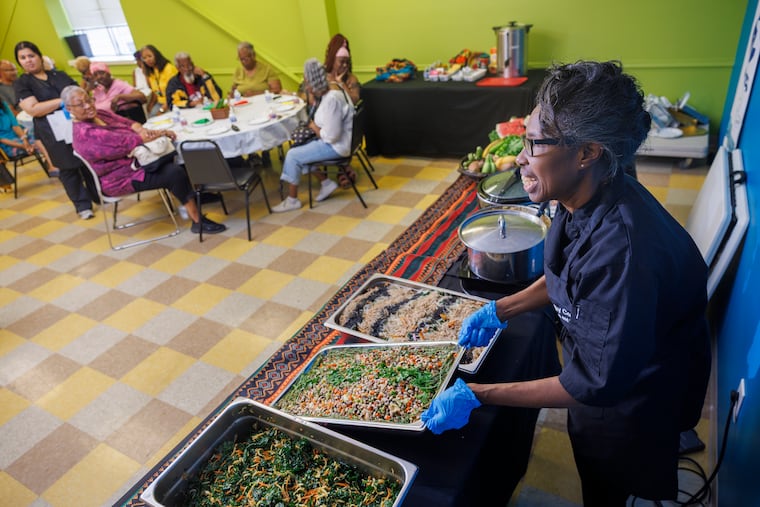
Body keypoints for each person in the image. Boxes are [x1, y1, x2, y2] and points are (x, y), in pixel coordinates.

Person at [420, 61, 711, 507]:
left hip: (634, 399)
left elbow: (590, 385)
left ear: (586, 152)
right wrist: (501, 310)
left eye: (534, 144)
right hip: (604, 368)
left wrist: (479, 394)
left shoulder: (625, 255)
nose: (520, 158)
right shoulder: (587, 190)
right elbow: (564, 276)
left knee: (606, 484)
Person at [61, 85, 225, 235]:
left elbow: (128, 123)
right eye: (80, 104)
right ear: (69, 109)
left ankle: (193, 197)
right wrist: (158, 133)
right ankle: (198, 222)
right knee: (173, 172)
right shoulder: (86, 134)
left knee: (174, 156)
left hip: (137, 161)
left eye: (88, 100)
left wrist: (142, 131)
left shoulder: (99, 114)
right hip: (120, 178)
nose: (88, 106)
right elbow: (127, 142)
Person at [14, 41, 97, 218]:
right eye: (23, 58)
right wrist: (63, 101)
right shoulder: (23, 83)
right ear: (19, 62)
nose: (28, 60)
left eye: (31, 55)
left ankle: (98, 194)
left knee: (88, 160)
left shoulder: (58, 75)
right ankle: (83, 206)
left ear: (39, 56)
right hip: (50, 129)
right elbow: (34, 109)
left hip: (76, 122)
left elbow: (79, 94)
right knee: (67, 167)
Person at [271, 58, 353, 213]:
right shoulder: (335, 87)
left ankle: (292, 200)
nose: (307, 87)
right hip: (341, 141)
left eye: (308, 83)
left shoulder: (331, 100)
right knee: (302, 145)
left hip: (337, 146)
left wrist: (312, 126)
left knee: (293, 155)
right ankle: (326, 183)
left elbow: (331, 137)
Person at [141, 45, 178, 116]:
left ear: (156, 55)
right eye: (144, 58)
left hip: (173, 102)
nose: (148, 60)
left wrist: (162, 110)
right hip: (160, 102)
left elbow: (174, 92)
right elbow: (156, 91)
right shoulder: (152, 71)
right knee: (151, 117)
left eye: (150, 56)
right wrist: (151, 105)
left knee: (157, 117)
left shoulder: (169, 68)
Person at [324, 34, 360, 105]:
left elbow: (354, 101)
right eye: (341, 61)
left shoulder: (351, 78)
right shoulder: (323, 77)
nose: (345, 65)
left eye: (347, 62)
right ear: (332, 60)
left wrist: (341, 83)